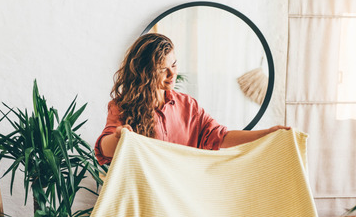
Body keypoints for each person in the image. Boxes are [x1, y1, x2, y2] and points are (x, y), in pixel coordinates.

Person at [94, 33, 290, 165]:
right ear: (145, 73)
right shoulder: (122, 106)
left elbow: (220, 136)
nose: (172, 75)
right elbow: (104, 149)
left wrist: (267, 134)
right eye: (162, 70)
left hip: (183, 198)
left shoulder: (188, 105)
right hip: (143, 198)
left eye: (175, 65)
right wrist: (120, 136)